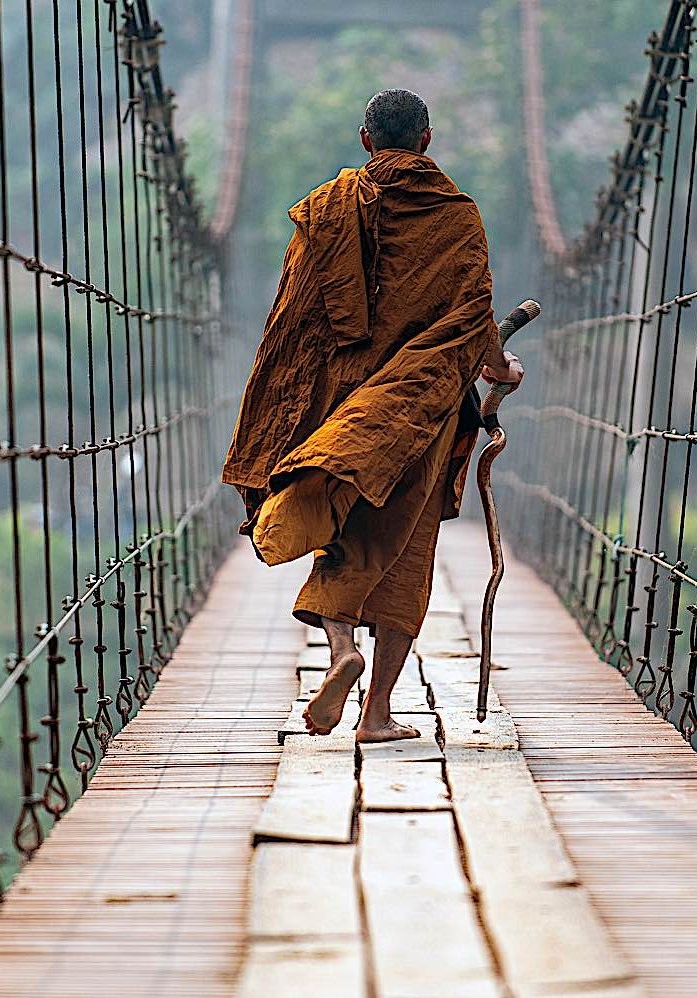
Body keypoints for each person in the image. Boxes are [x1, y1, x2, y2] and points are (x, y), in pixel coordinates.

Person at [222, 89, 524, 743]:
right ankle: (377, 713)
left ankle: (339, 655)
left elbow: (293, 319)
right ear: (427, 141)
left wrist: (286, 406)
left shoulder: (328, 209)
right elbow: (474, 316)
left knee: (344, 532)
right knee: (406, 550)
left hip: (346, 408)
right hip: (421, 408)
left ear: (365, 140)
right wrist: (499, 368)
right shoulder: (456, 214)